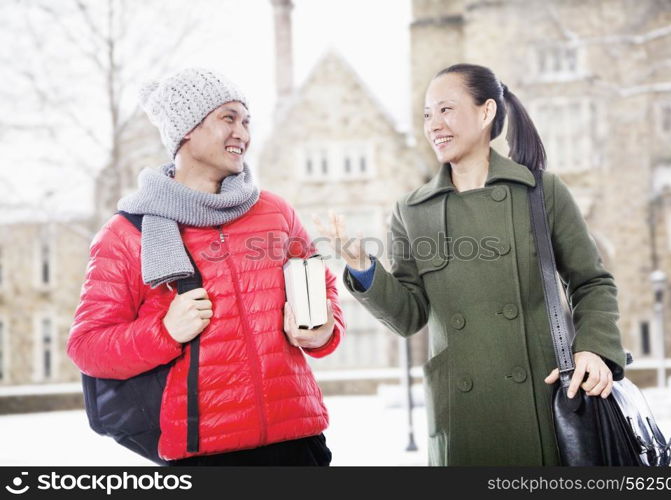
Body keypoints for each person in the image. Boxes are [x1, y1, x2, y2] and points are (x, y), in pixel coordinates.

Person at [315, 63, 625, 466]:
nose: (433, 125)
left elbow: (592, 282)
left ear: (486, 113)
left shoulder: (539, 190)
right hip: (462, 417)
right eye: (427, 114)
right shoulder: (412, 210)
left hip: (543, 403)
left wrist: (594, 350)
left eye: (445, 109)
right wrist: (361, 266)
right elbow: (409, 316)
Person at [67, 67, 344, 466]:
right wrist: (163, 333)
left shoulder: (274, 211)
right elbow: (87, 347)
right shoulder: (128, 233)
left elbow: (325, 287)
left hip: (297, 442)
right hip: (203, 456)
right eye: (228, 118)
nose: (243, 134)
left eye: (247, 121)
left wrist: (323, 328)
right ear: (186, 131)